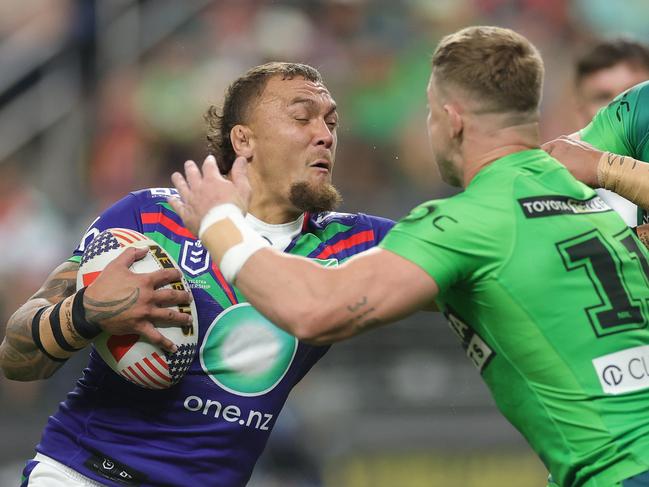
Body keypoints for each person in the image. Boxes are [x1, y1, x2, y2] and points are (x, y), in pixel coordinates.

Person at [170, 27, 649, 487]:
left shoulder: (465, 223)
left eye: (428, 111)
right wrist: (615, 169)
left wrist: (218, 222)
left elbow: (314, 310)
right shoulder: (584, 182)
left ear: (452, 118)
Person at [0, 62, 394, 486]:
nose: (326, 134)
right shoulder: (150, 217)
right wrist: (85, 312)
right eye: (302, 117)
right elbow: (16, 357)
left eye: (331, 121)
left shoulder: (354, 245)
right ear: (243, 139)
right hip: (83, 473)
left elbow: (462, 250)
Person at [568, 38, 649, 225]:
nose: (619, 111)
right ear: (580, 113)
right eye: (604, 98)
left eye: (632, 94)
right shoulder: (561, 196)